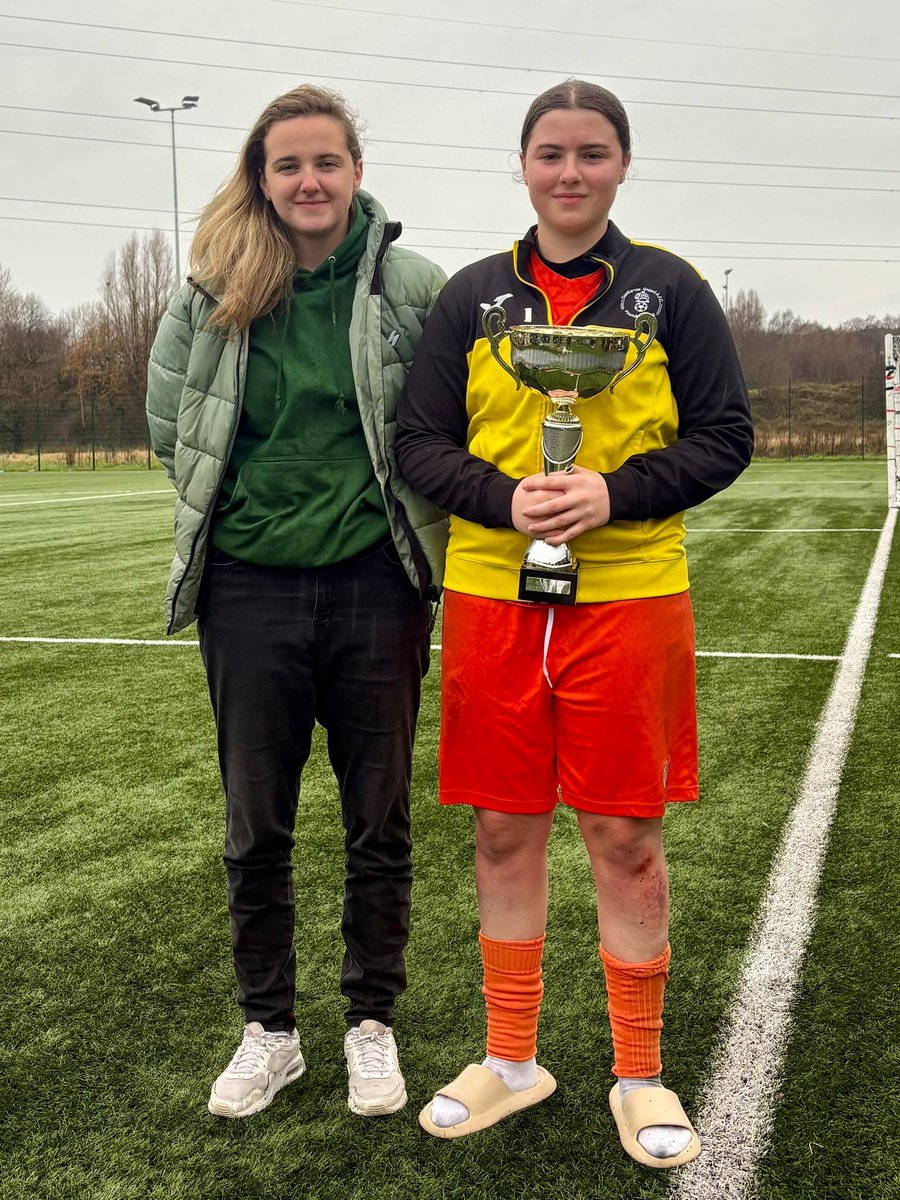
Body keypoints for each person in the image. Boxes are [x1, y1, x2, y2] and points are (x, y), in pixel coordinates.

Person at [396, 79, 752, 1167]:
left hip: (630, 595)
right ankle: (512, 1060)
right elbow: (419, 442)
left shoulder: (670, 290)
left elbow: (725, 435)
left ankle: (638, 1073)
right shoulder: (472, 297)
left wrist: (616, 493)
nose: (569, 172)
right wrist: (505, 499)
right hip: (494, 595)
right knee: (503, 829)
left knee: (624, 836)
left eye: (592, 153)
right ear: (522, 166)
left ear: (622, 165)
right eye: (550, 153)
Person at [146, 84, 447, 1121]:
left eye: (326, 161)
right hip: (248, 591)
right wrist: (243, 516)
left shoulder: (413, 285)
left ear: (357, 171)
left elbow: (441, 423)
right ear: (262, 178)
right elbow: (171, 422)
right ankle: (270, 1032)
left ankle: (372, 1022)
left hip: (377, 584)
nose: (309, 181)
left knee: (379, 819)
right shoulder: (213, 284)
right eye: (288, 165)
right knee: (255, 826)